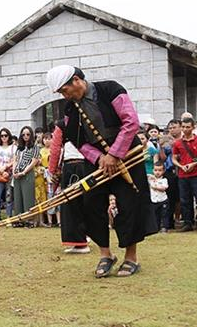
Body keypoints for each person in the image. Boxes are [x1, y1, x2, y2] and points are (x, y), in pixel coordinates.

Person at [46, 65, 156, 278]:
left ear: (76, 80)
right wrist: (100, 159)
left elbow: (131, 122)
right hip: (97, 161)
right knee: (91, 203)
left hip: (126, 154)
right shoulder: (70, 110)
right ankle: (106, 254)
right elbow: (78, 142)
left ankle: (131, 257)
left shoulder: (111, 90)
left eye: (64, 90)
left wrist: (114, 154)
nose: (64, 95)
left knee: (129, 202)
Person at [49, 122, 90, 254]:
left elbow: (55, 149)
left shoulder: (63, 124)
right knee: (86, 202)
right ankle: (85, 236)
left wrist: (52, 170)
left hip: (72, 166)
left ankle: (80, 242)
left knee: (72, 204)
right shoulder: (89, 119)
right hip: (88, 165)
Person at [171, 117, 197, 232]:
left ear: (193, 127)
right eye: (183, 127)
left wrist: (193, 164)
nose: (185, 129)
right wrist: (180, 166)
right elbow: (174, 158)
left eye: (188, 127)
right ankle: (188, 222)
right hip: (183, 175)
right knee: (185, 199)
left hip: (195, 173)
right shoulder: (177, 143)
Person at [12, 126, 40, 225]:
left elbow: (34, 162)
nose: (25, 136)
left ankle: (29, 220)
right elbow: (15, 160)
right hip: (16, 174)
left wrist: (23, 172)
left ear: (31, 135)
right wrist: (14, 172)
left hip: (27, 174)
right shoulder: (19, 148)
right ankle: (19, 219)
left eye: (28, 134)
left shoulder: (35, 148)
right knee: (18, 197)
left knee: (28, 197)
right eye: (23, 134)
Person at [0, 128, 15, 219]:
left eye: (6, 135)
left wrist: (6, 167)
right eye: (2, 136)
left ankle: (9, 216)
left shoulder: (13, 147)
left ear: (9, 136)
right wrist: (0, 169)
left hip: (9, 173)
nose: (4, 137)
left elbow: (14, 159)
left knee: (9, 196)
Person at [148, 161, 169, 232]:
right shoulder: (151, 179)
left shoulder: (164, 180)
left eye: (160, 170)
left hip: (163, 200)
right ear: (153, 170)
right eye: (155, 170)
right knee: (155, 215)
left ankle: (164, 227)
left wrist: (156, 187)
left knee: (164, 214)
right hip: (154, 200)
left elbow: (164, 188)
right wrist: (151, 176)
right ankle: (156, 227)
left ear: (163, 171)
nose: (157, 172)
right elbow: (146, 175)